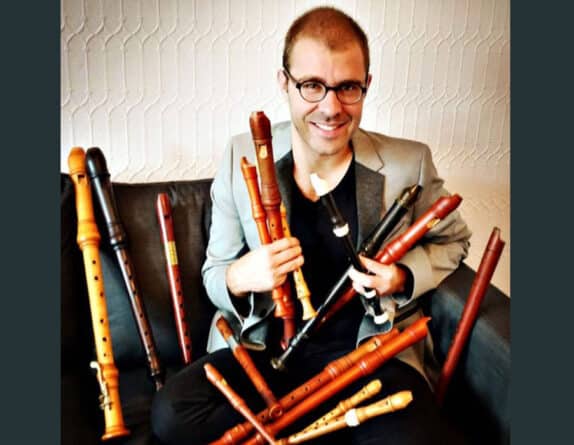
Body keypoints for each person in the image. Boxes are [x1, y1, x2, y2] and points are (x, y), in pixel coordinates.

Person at [151, 6, 471, 445]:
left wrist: (401, 276)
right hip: (268, 354)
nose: (331, 107)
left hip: (367, 355)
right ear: (284, 82)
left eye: (348, 88)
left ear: (367, 85)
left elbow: (454, 241)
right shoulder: (240, 154)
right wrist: (241, 276)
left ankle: (293, 432)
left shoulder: (408, 163)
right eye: (312, 86)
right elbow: (214, 273)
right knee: (172, 413)